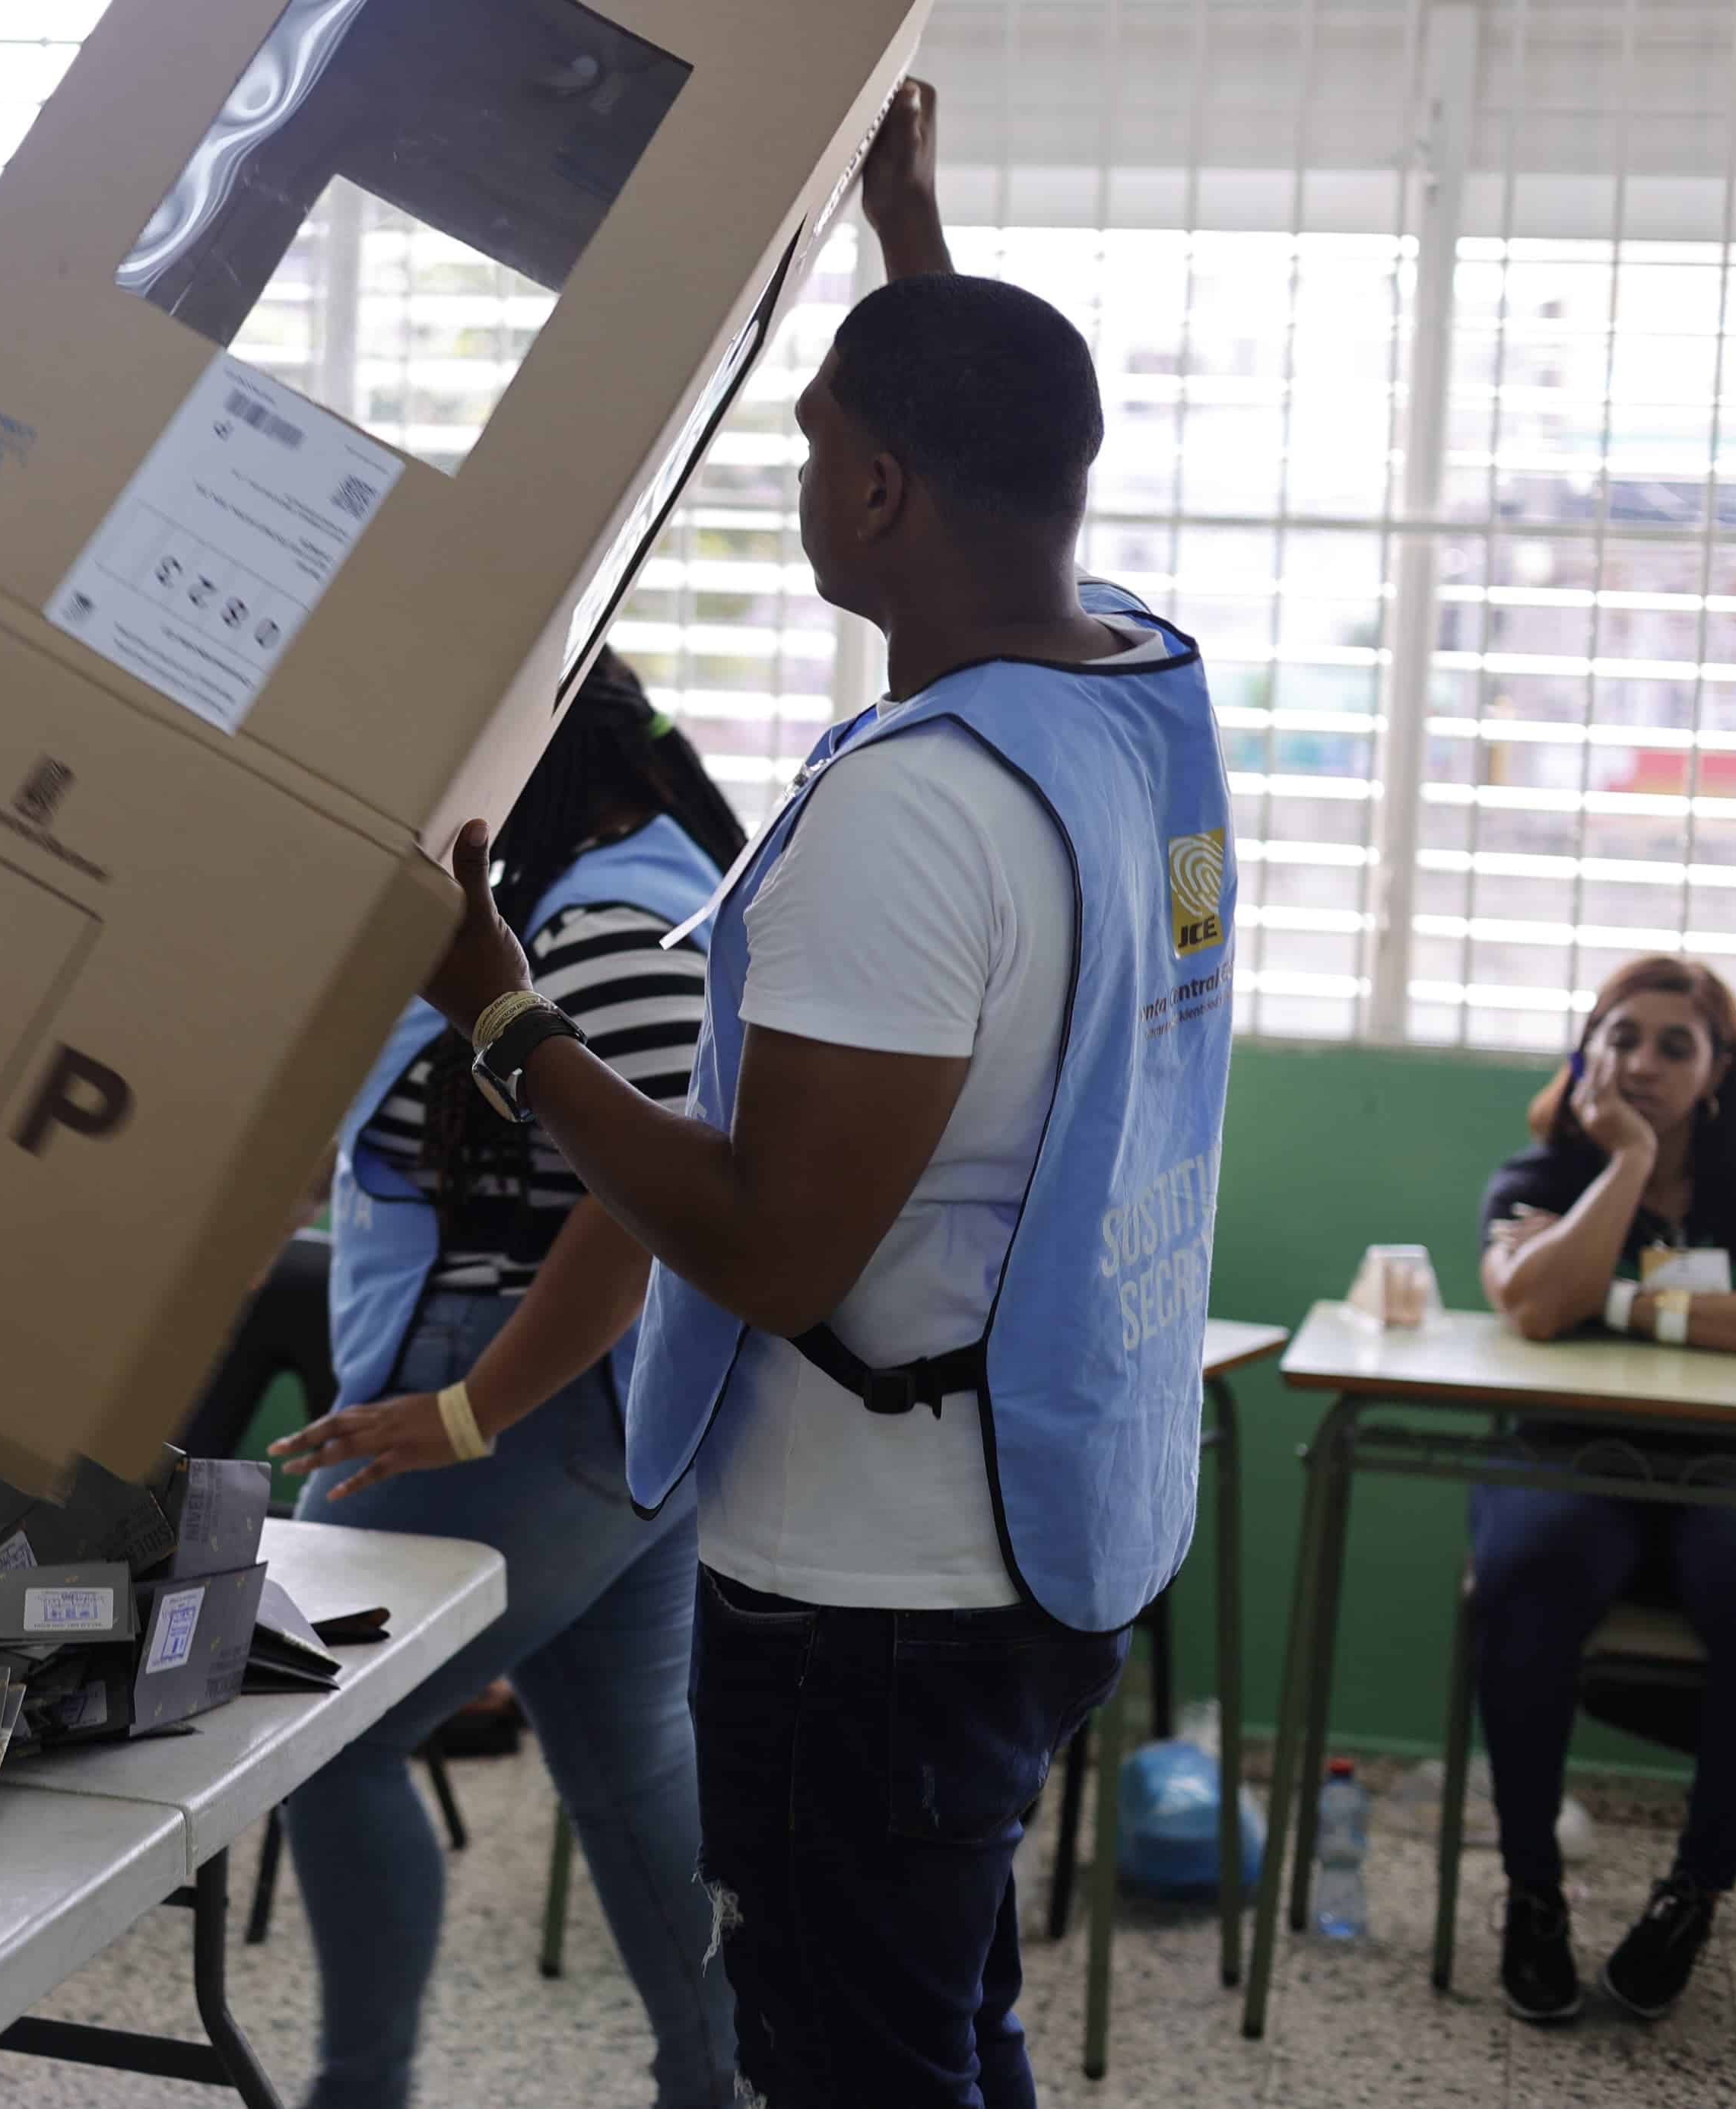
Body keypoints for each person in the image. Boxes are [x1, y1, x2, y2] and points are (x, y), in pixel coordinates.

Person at [308, 81, 1236, 2107]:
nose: (803, 477)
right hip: (1047, 1516)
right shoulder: (1138, 702)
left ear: (886, 491)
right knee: (941, 2017)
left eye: (824, 444)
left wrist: (505, 1013)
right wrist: (919, 245)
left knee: (844, 2055)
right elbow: (987, 451)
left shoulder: (907, 819)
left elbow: (768, 1236)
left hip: (873, 1590)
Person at [268, 654, 744, 2109]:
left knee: (329, 1739)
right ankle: (718, 2083)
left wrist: (470, 1410)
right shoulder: (626, 886)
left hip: (532, 1404)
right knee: (623, 1762)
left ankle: (361, 2094)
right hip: (604, 1418)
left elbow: (651, 1201)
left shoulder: (599, 913)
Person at [1473, 954, 1736, 2025]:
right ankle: (1533, 1891)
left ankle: (1694, 1891)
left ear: (1719, 1069)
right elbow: (1537, 1307)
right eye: (1620, 1036)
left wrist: (1627, 1301)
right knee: (1528, 1571)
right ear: (1587, 1051)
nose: (1641, 1061)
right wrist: (1626, 1162)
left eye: (1674, 1044)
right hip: (1568, 1458)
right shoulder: (1536, 1176)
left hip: (1733, 1467)